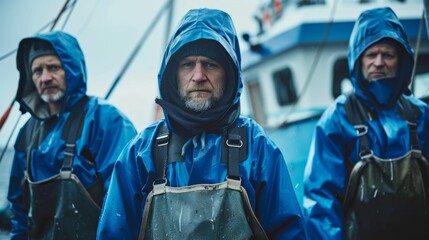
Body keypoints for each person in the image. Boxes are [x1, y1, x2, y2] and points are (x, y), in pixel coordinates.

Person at [97, 8, 306, 240]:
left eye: (210, 64)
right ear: (172, 74)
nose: (198, 75)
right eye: (188, 64)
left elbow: (289, 232)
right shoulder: (141, 152)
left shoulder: (256, 146)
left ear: (228, 74)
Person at [303, 7, 429, 240]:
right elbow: (321, 202)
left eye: (388, 55)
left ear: (401, 62)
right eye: (371, 55)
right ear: (358, 61)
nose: (379, 62)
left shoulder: (421, 114)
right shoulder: (337, 119)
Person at [7, 31, 137, 239]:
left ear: (72, 69)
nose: (45, 77)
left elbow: (126, 204)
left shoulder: (107, 120)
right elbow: (19, 209)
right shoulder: (28, 132)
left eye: (54, 67)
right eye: (37, 70)